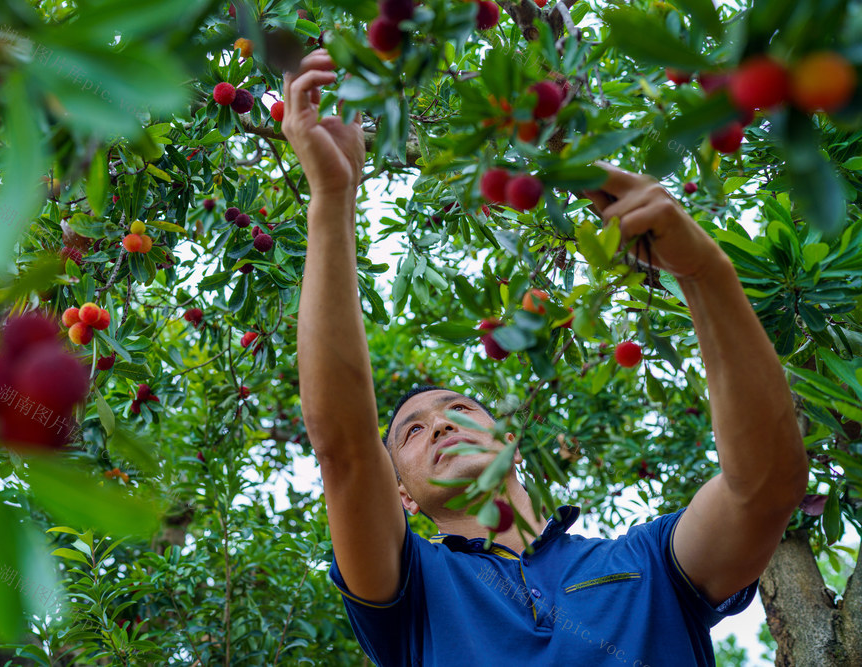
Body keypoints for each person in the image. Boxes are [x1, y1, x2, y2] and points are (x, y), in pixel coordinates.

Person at [284, 49, 809, 666]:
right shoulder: (412, 592)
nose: (442, 424)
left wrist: (704, 274)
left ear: (506, 437)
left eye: (456, 408)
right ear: (399, 495)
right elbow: (343, 446)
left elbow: (766, 490)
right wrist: (333, 195)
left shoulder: (645, 562)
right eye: (412, 432)